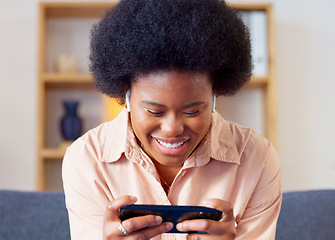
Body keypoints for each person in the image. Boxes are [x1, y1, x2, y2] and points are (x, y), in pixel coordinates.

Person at [62, 0, 282, 239]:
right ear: (126, 91)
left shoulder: (256, 159)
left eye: (192, 111)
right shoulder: (87, 160)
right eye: (154, 112)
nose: (172, 129)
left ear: (215, 91)